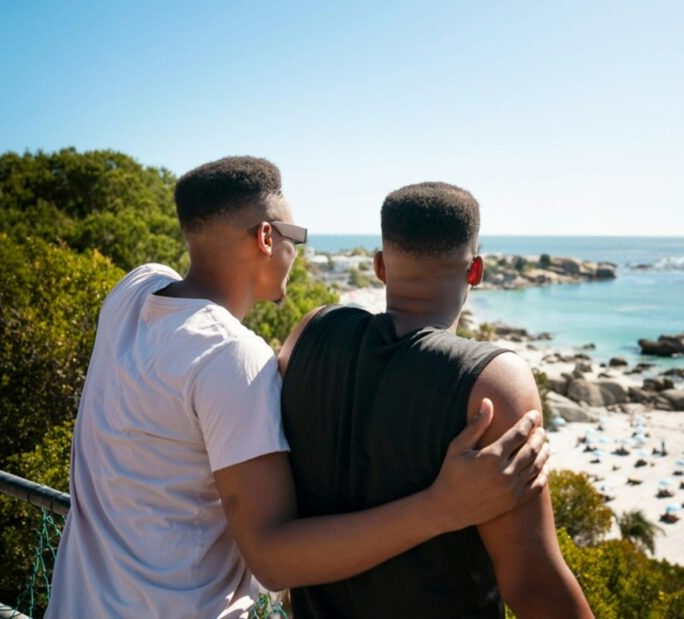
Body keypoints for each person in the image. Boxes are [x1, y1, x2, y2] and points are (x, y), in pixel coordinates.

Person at [47, 158, 549, 618]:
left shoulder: (134, 290)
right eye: (297, 237)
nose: (297, 252)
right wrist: (441, 506)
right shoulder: (231, 358)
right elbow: (272, 558)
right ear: (267, 237)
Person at [279, 182, 593, 618]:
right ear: (476, 270)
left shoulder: (307, 334)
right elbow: (533, 584)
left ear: (380, 266)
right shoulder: (492, 382)